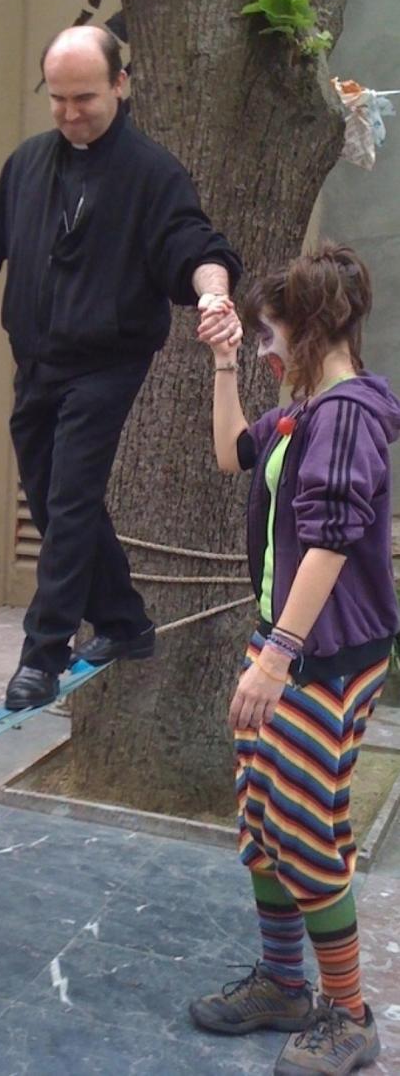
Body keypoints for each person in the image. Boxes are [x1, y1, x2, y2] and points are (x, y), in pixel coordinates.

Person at [0, 24, 242, 711]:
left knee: (70, 497)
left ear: (120, 84)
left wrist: (213, 292)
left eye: (82, 97)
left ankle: (43, 653)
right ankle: (123, 622)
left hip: (107, 361)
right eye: (55, 99)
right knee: (53, 499)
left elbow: (193, 243)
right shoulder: (31, 161)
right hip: (36, 359)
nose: (67, 113)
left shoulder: (152, 173)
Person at [191, 243, 399, 1074]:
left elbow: (331, 540)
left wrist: (276, 656)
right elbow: (227, 456)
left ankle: (347, 1014)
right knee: (264, 823)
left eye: (271, 335)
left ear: (311, 332)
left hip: (321, 657)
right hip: (281, 645)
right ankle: (282, 983)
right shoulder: (305, 407)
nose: (267, 350)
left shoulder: (347, 415)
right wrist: (223, 365)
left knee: (308, 831)